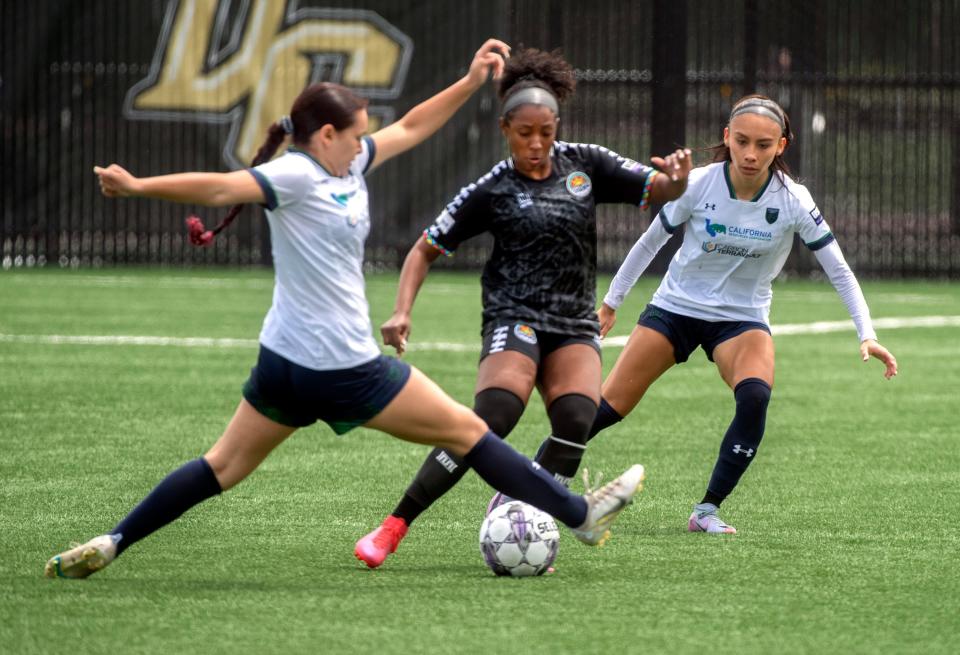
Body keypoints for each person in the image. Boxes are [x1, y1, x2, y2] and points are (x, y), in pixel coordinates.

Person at [44, 40, 646, 580]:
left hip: (282, 364)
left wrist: (467, 84)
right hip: (345, 369)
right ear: (325, 135)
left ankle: (114, 540)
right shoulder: (294, 175)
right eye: (356, 133)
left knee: (221, 466)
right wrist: (139, 186)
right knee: (469, 431)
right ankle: (577, 514)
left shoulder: (347, 162)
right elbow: (223, 188)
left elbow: (411, 127)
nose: (365, 143)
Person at [354, 47, 692, 569]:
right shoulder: (491, 189)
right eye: (524, 133)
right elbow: (424, 249)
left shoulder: (589, 163)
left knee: (578, 416)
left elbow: (660, 189)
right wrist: (401, 311)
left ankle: (518, 504)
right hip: (514, 316)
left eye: (546, 132)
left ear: (557, 125)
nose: (537, 145)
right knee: (494, 413)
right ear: (505, 129)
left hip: (573, 321)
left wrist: (677, 179)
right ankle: (394, 526)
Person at [533, 93, 899, 534]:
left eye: (763, 145)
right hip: (675, 308)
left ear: (781, 146)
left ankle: (706, 510)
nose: (750, 153)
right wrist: (611, 304)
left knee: (755, 398)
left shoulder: (793, 200)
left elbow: (838, 269)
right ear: (727, 137)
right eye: (741, 141)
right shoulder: (699, 183)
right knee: (607, 406)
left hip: (741, 319)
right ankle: (528, 483)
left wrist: (867, 332)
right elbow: (650, 242)